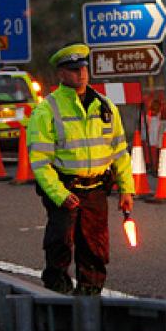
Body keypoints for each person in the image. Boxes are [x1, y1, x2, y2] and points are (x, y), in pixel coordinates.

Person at [27, 42, 134, 295]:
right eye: (74, 69)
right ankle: (57, 293)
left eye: (83, 67)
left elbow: (119, 152)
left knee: (95, 248)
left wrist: (127, 190)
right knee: (60, 243)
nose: (81, 73)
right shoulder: (47, 110)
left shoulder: (105, 107)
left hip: (97, 189)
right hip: (65, 190)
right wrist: (59, 195)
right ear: (61, 74)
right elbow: (40, 162)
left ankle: (90, 296)